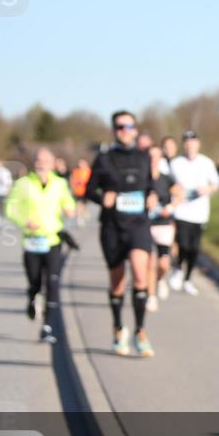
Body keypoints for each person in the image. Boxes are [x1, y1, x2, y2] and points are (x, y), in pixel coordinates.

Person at [85, 110, 158, 357]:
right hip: (112, 227)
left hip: (138, 224)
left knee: (140, 273)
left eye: (128, 126)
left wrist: (153, 196)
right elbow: (88, 190)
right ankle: (118, 328)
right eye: (119, 126)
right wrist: (101, 197)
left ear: (135, 129)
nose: (124, 130)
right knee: (117, 281)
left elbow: (151, 186)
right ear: (114, 130)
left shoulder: (144, 157)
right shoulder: (104, 158)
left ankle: (140, 331)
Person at [5, 148, 76, 344]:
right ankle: (32, 297)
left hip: (52, 239)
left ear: (53, 163)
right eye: (38, 159)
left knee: (52, 282)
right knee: (35, 281)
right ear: (34, 162)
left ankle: (47, 326)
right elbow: (10, 209)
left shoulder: (60, 184)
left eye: (46, 160)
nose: (42, 163)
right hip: (31, 240)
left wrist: (70, 209)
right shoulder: (23, 184)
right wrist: (24, 221)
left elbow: (68, 202)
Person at [167, 130, 219, 296]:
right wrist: (175, 190)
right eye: (187, 142)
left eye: (193, 142)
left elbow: (216, 184)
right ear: (184, 144)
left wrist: (207, 189)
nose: (190, 145)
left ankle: (188, 279)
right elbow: (167, 184)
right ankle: (178, 268)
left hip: (200, 212)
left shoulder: (206, 163)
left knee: (194, 248)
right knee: (182, 243)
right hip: (181, 211)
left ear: (198, 144)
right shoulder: (176, 163)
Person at [146, 144, 181, 311]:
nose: (153, 159)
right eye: (150, 156)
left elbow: (179, 194)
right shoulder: (141, 178)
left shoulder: (166, 178)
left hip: (163, 224)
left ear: (160, 158)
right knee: (151, 262)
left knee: (164, 263)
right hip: (145, 224)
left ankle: (160, 279)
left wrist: (171, 208)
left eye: (156, 156)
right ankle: (151, 296)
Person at [69, 158, 92, 226]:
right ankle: (79, 218)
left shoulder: (88, 171)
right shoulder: (76, 171)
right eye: (80, 163)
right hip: (78, 191)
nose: (81, 164)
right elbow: (72, 180)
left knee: (84, 205)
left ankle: (84, 213)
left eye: (82, 163)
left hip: (86, 191)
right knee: (79, 205)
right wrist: (73, 187)